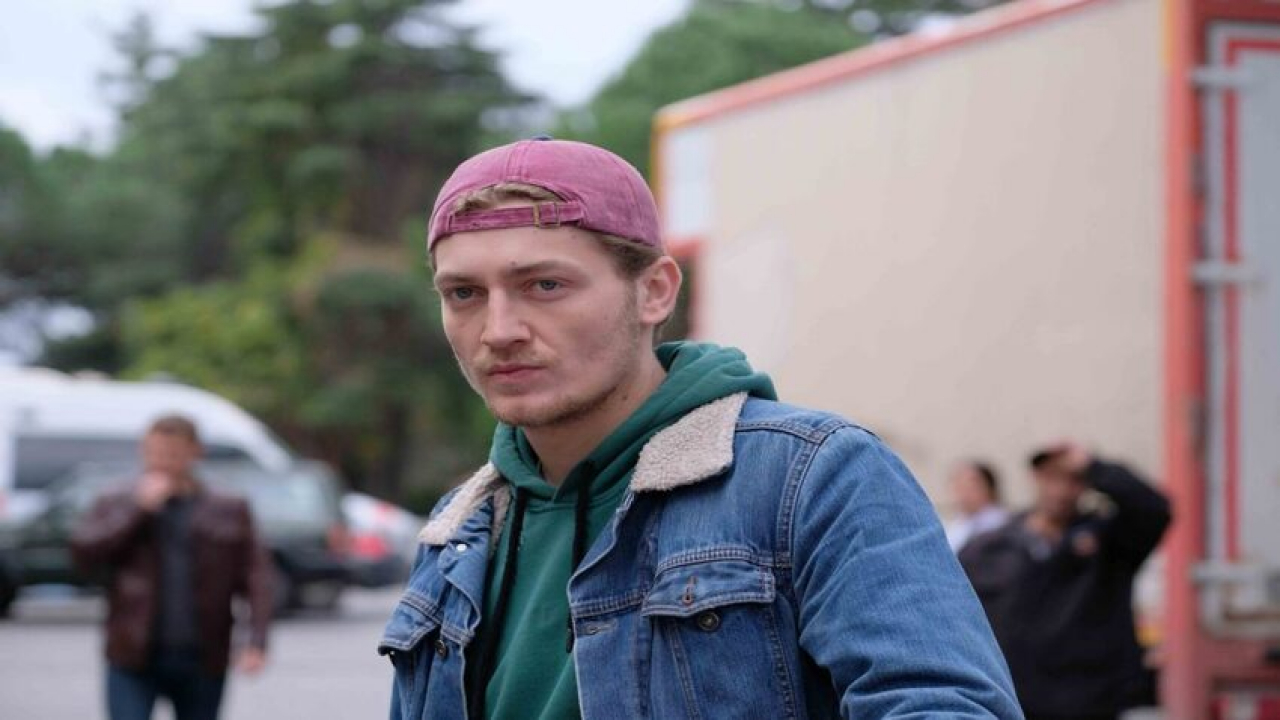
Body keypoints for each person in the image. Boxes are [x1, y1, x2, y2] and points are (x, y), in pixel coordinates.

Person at [380, 137, 1022, 719]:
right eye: (464, 294)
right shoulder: (456, 533)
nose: (499, 330)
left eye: (545, 284)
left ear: (655, 291)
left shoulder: (814, 477)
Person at [71, 415, 272, 720]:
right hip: (132, 654)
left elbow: (256, 576)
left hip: (203, 655)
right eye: (153, 453)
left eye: (172, 454)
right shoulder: (117, 500)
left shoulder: (228, 507)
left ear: (195, 452)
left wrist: (256, 641)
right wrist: (138, 510)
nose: (161, 462)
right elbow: (84, 555)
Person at [959, 441, 1171, 720]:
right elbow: (960, 618)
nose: (1061, 490)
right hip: (1018, 700)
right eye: (1052, 478)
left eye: (1073, 479)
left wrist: (1095, 467)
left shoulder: (1109, 541)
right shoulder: (990, 548)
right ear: (1036, 478)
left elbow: (1153, 509)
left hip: (1091, 701)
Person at [945, 460, 1010, 552]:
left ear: (989, 488)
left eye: (970, 486)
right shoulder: (954, 527)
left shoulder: (1004, 524)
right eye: (959, 486)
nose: (964, 493)